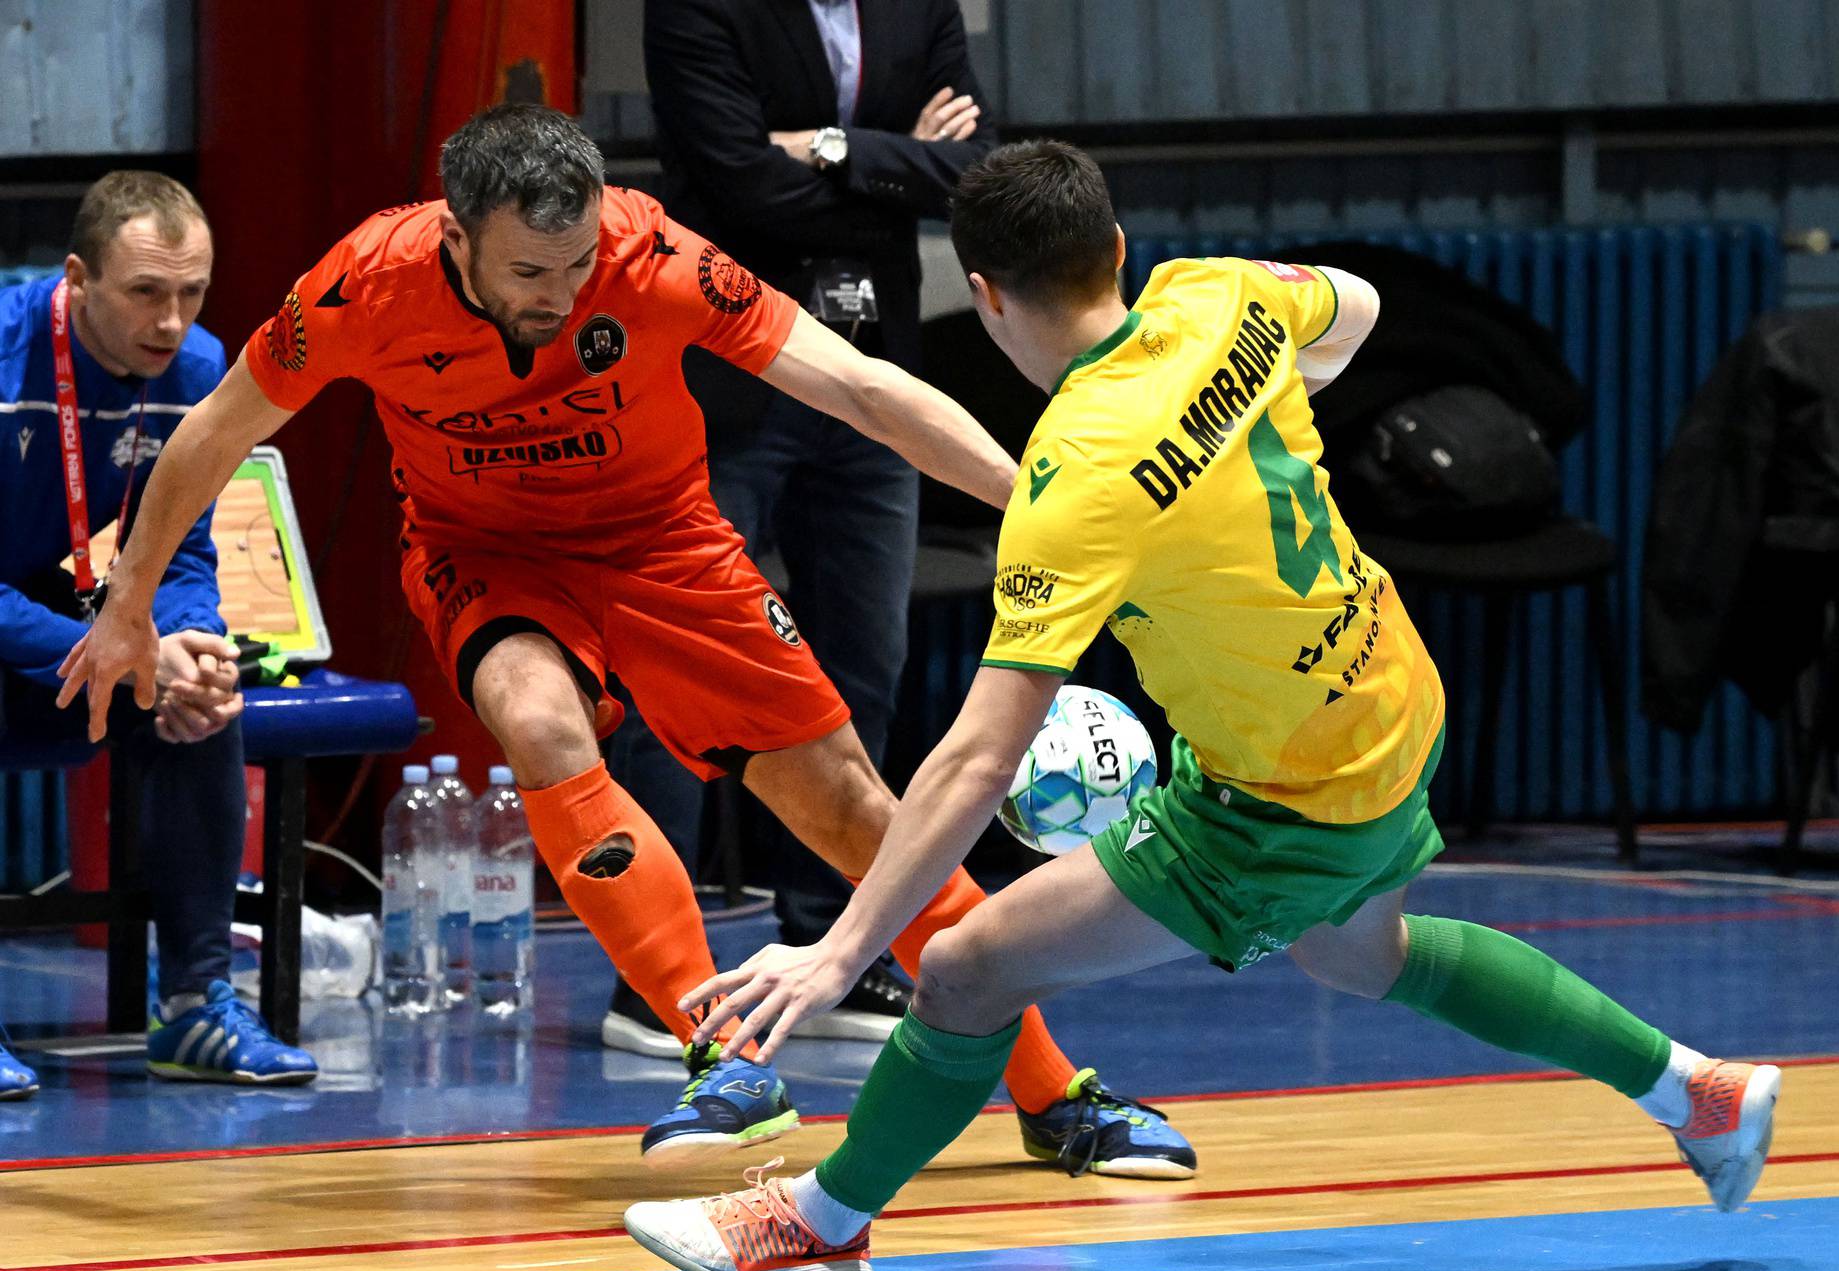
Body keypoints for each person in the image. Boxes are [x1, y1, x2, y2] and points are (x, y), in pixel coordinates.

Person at [621, 141, 1784, 1271]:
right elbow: (1362, 307)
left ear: (982, 297)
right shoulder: (1216, 293)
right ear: (1118, 249)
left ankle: (821, 1221)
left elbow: (979, 754)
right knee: (1363, 956)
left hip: (1280, 803)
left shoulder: (1071, 479)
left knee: (967, 971)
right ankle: (1701, 1093)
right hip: (1390, 699)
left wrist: (839, 950)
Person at [57, 108, 1193, 1177]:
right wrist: (130, 603)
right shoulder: (366, 283)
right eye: (530, 274)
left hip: (668, 547)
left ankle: (1057, 1097)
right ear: (457, 238)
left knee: (858, 813)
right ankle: (727, 1060)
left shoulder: (653, 258)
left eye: (576, 262)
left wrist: (1044, 502)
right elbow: (210, 437)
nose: (563, 292)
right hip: (483, 555)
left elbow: (862, 388)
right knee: (541, 722)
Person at [598, 0, 999, 1052]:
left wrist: (829, 150)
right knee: (678, 672)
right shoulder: (701, 8)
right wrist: (894, 167)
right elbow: (730, 179)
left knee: (864, 661)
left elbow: (978, 173)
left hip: (873, 370)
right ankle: (661, 974)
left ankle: (836, 944)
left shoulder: (922, 6)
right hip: (728, 381)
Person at [0, 171, 316, 1093]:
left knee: (200, 706)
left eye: (192, 293)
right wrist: (104, 643)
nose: (171, 321)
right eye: (145, 292)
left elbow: (179, 554)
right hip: (39, 633)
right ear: (76, 279)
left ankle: (194, 1005)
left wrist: (187, 643)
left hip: (60, 631)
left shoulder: (196, 371)